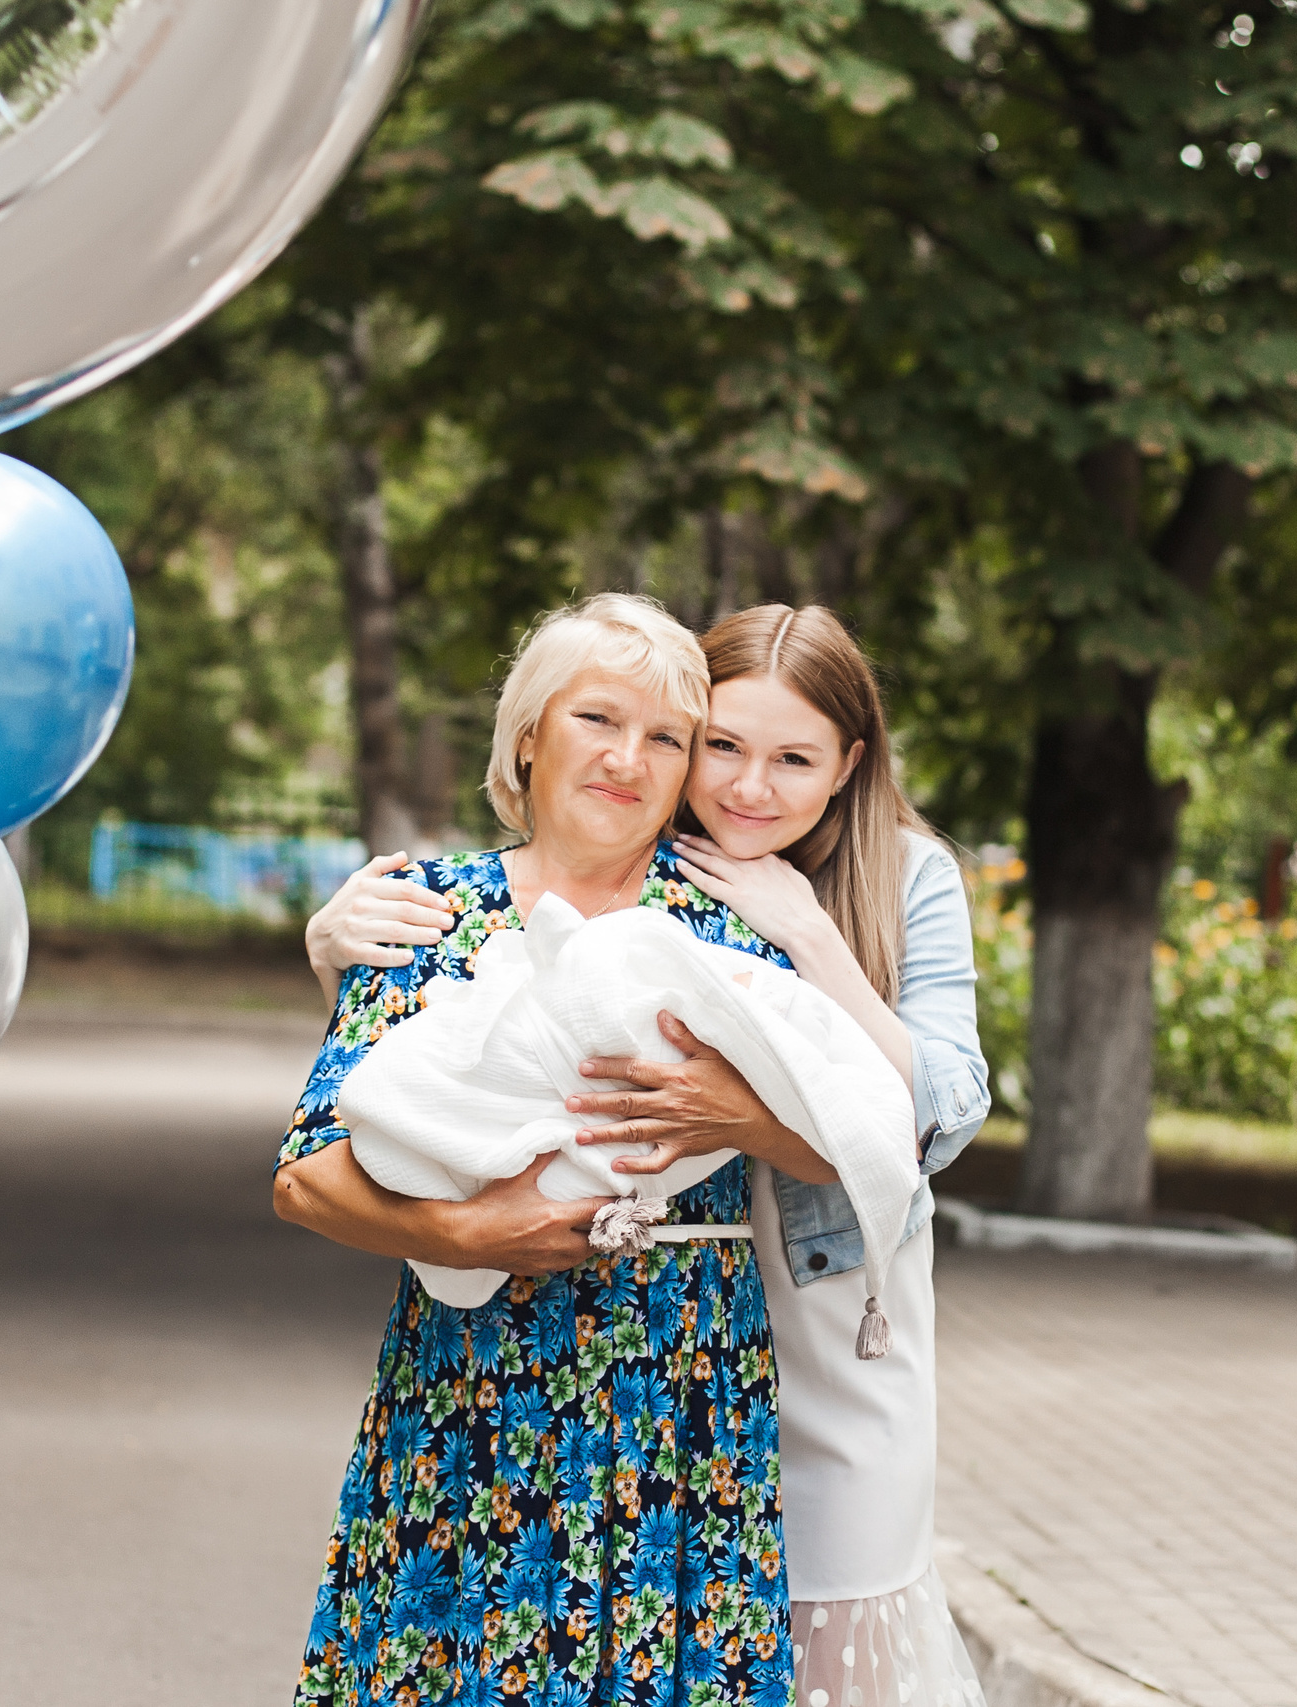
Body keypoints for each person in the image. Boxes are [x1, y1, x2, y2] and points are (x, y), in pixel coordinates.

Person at [307, 603, 993, 1707]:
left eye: (792, 758)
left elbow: (935, 1121)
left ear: (848, 764)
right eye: (718, 744)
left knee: (820, 1625)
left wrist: (810, 936)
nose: (746, 787)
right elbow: (445, 1063)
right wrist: (328, 942)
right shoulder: (585, 878)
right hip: (623, 1303)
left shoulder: (880, 880)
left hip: (801, 1312)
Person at [274, 594, 805, 1707]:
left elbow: (844, 1130)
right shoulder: (429, 913)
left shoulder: (728, 932)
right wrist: (466, 1229)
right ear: (529, 735)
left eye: (666, 738)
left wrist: (732, 1117)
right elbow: (305, 1175)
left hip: (679, 1381)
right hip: (469, 1382)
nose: (629, 759)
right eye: (597, 721)